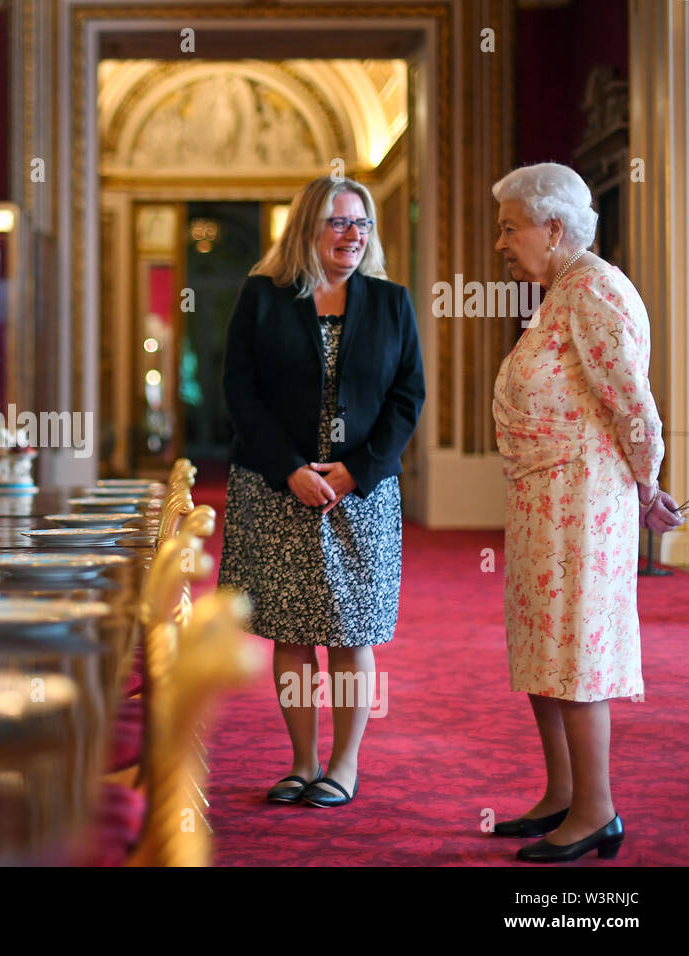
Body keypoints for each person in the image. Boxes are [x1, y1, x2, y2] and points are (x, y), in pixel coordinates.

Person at [490, 162, 682, 862]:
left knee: (575, 654)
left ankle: (597, 812)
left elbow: (634, 405)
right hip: (548, 501)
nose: (503, 243)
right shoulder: (562, 290)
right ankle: (562, 794)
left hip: (580, 505)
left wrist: (647, 483)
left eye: (511, 228)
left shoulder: (594, 289)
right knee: (546, 649)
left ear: (553, 226)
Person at [217, 176, 425, 809]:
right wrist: (290, 468)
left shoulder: (391, 302)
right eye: (338, 222)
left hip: (360, 495)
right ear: (307, 229)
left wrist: (356, 469)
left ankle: (344, 764)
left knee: (349, 634)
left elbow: (406, 398)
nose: (352, 235)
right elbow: (240, 393)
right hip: (277, 488)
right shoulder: (262, 298)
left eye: (361, 224)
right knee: (291, 633)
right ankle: (301, 762)